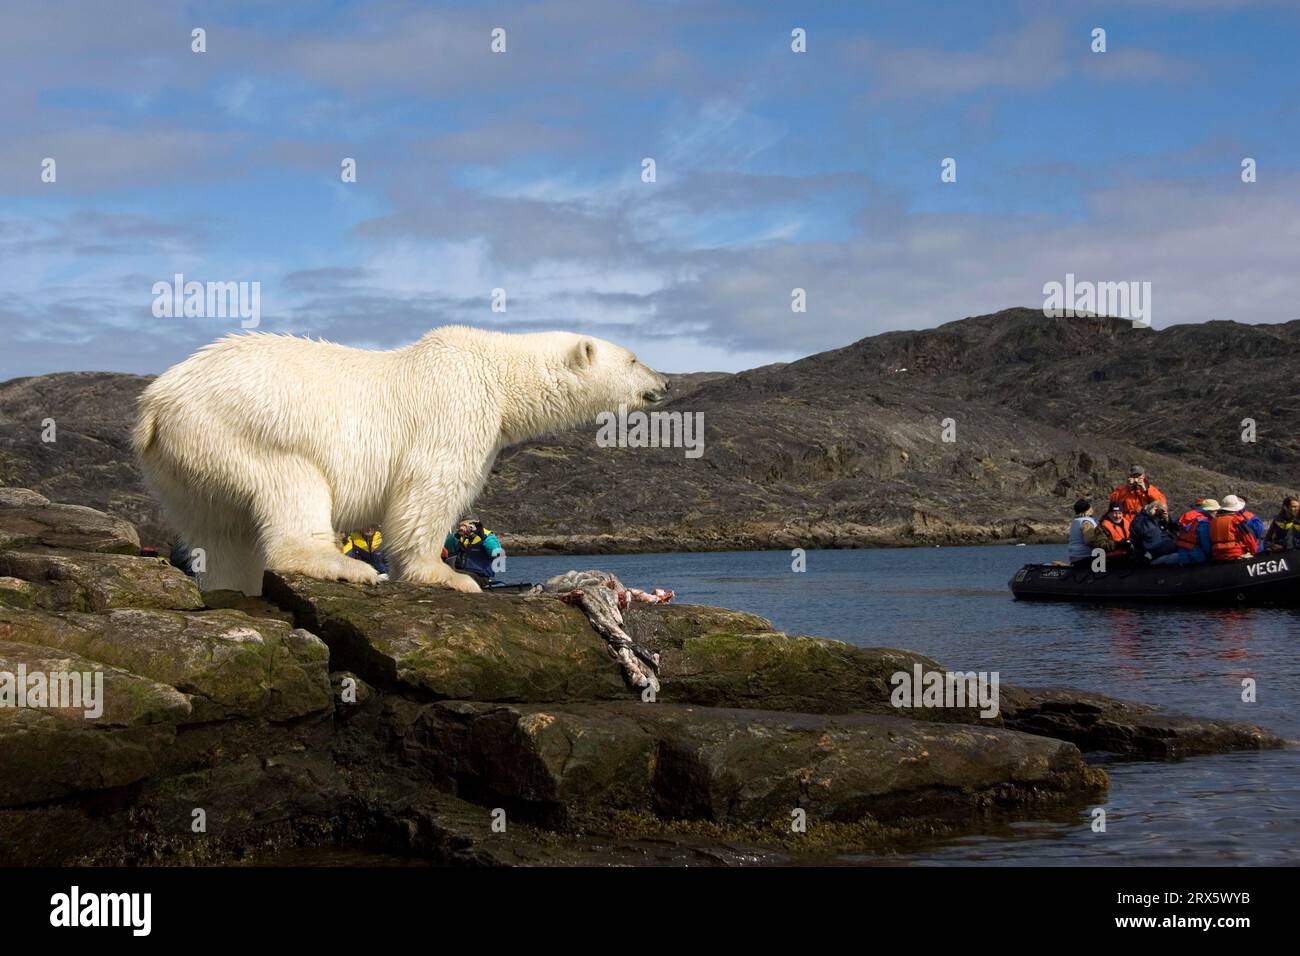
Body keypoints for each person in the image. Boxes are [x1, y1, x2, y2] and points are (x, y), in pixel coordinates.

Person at [443, 517, 504, 587]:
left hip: (480, 577)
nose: (463, 528)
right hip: (463, 573)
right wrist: (456, 536)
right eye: (461, 525)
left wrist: (483, 537)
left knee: (453, 574)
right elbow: (447, 550)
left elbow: (496, 553)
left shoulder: (488, 537)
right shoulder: (461, 537)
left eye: (467, 525)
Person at [1153, 498, 1217, 565]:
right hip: (1195, 556)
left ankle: (1154, 561)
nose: (1217, 512)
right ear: (1211, 510)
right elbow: (1206, 545)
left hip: (1182, 551)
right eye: (1216, 510)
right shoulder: (1204, 523)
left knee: (1167, 559)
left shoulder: (1191, 517)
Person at [1209, 495, 1261, 560]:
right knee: (1260, 546)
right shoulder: (1236, 520)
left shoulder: (1213, 520)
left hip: (1218, 555)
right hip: (1235, 554)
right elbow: (1248, 538)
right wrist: (1254, 552)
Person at [1067, 498, 1109, 566]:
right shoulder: (1086, 523)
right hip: (1085, 556)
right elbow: (1089, 541)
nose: (1092, 509)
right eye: (1090, 507)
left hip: (1075, 556)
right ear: (1087, 510)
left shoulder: (1076, 521)